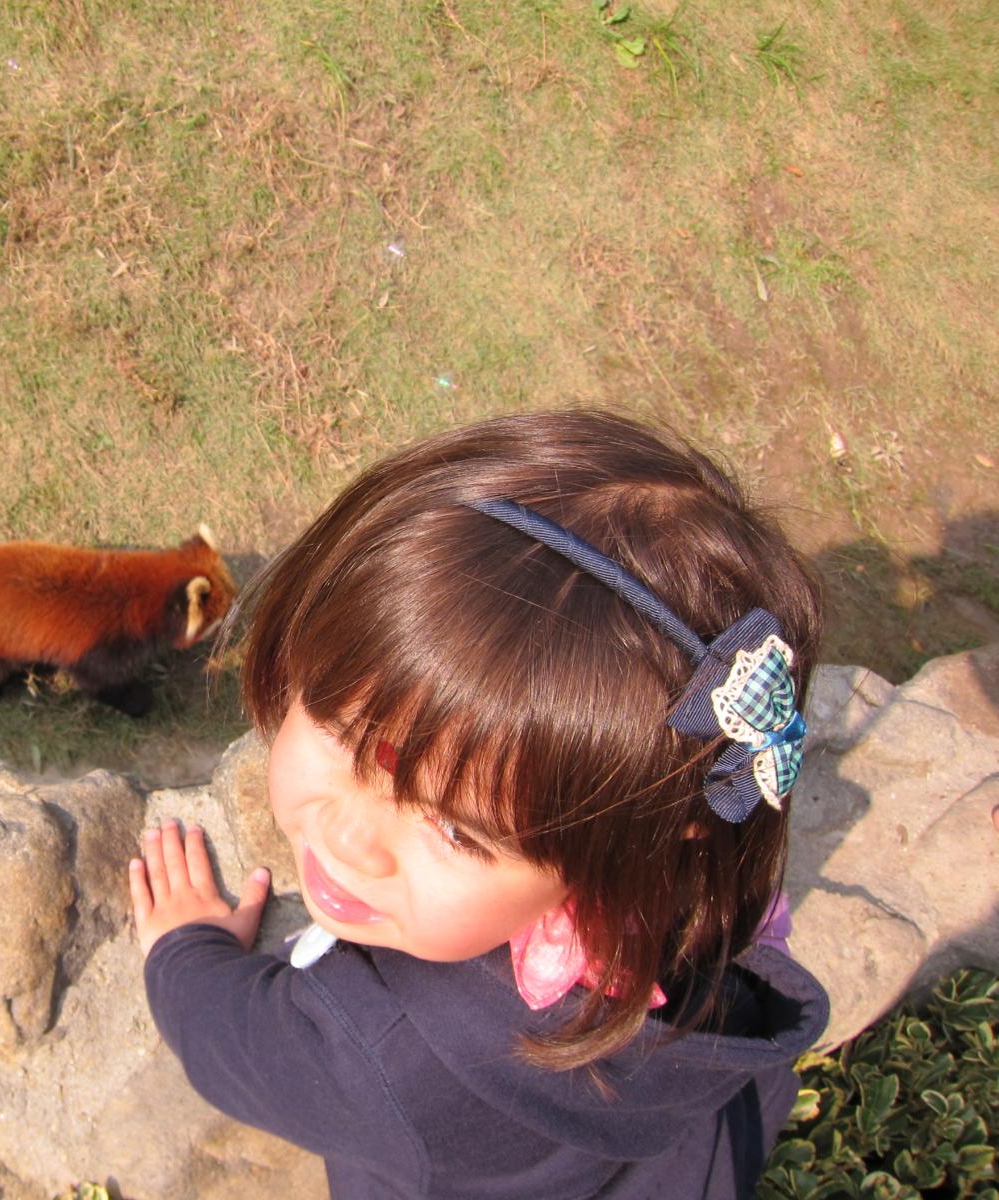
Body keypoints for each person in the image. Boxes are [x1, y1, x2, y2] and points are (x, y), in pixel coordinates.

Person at [128, 410, 831, 1199]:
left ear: (651, 828)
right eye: (340, 731)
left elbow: (236, 1051)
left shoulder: (387, 1057)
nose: (351, 837)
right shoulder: (684, 865)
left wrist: (184, 953)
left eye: (459, 831)